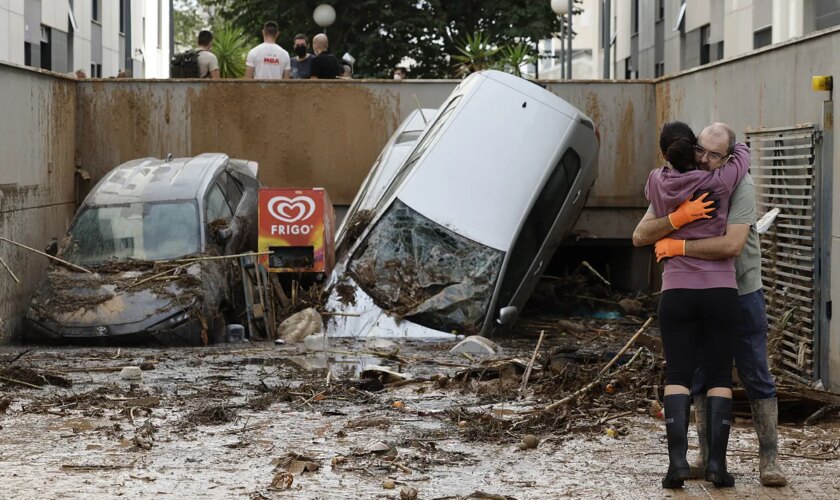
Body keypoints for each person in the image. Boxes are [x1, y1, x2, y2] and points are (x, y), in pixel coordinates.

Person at [633, 126, 788, 487]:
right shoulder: (696, 176)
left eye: (714, 154)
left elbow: (732, 244)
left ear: (728, 156)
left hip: (742, 288)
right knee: (705, 375)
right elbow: (641, 233)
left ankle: (769, 459)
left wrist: (678, 247)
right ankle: (706, 456)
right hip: (714, 291)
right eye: (700, 149)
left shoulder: (738, 185)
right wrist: (678, 217)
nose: (704, 158)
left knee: (754, 373)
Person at [644, 122, 751, 489]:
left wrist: (676, 220)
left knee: (678, 375)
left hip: (677, 291)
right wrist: (738, 148)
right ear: (692, 149)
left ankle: (677, 466)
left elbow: (645, 229)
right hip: (720, 291)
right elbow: (743, 158)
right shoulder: (720, 183)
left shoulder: (655, 182)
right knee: (720, 376)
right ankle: (717, 468)